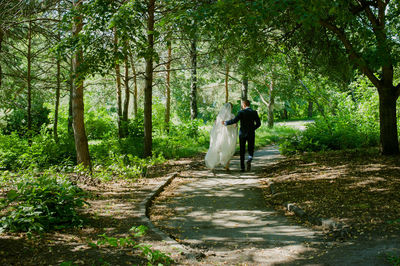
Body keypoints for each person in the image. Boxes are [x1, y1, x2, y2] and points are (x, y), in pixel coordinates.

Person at [223, 99, 261, 172]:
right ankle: (249, 159)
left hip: (242, 134)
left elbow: (234, 121)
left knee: (242, 150)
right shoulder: (254, 112)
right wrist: (252, 129)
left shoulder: (241, 112)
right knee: (251, 149)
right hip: (251, 133)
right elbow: (259, 124)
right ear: (248, 104)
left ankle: (242, 168)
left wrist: (225, 123)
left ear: (244, 105)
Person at [205, 102, 238, 172]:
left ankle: (212, 164)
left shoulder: (219, 116)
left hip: (219, 135)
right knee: (228, 149)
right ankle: (226, 165)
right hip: (228, 136)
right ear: (231, 108)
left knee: (217, 149)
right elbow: (235, 125)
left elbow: (215, 125)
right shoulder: (232, 116)